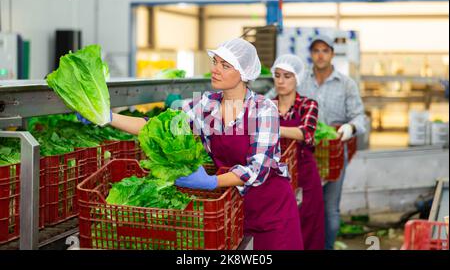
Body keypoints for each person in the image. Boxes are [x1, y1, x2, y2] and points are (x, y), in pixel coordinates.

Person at [78, 38, 303, 250]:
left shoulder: (263, 109)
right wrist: (107, 117)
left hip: (272, 210)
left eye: (225, 65)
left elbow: (258, 170)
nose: (215, 68)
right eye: (215, 62)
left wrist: (211, 182)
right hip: (233, 209)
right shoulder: (206, 105)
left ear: (243, 73)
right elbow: (159, 128)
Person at [266, 35, 366, 250]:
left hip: (332, 151)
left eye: (325, 50)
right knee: (302, 209)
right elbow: (271, 97)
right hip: (297, 155)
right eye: (316, 50)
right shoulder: (298, 78)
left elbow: (359, 116)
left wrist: (350, 128)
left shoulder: (346, 84)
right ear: (311, 55)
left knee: (329, 209)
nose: (320, 55)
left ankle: (326, 247)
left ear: (332, 54)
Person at [271, 54, 325, 250]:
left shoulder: (307, 105)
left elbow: (306, 132)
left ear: (297, 79)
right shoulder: (267, 106)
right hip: (276, 176)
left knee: (309, 226)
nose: (281, 81)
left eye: (287, 76)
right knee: (282, 229)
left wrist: (272, 129)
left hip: (304, 175)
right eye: (277, 75)